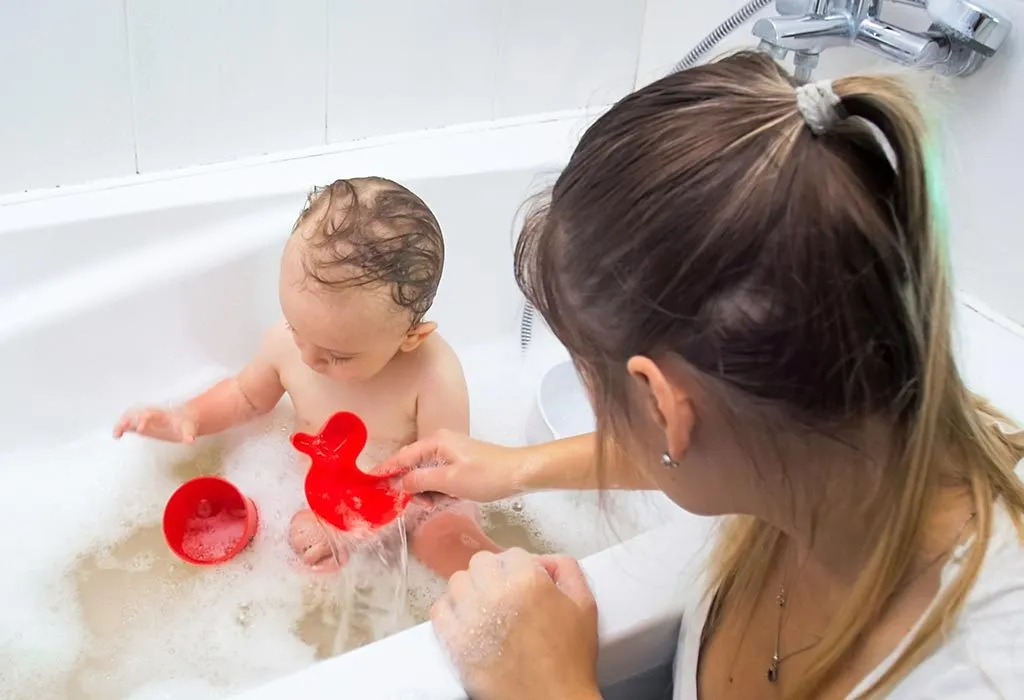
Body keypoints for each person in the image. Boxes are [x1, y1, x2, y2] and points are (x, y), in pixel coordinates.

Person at [378, 53, 1024, 700]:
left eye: (593, 386)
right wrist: (516, 468)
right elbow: (703, 446)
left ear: (665, 408)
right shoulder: (834, 433)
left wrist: (553, 688)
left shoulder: (979, 674)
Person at [114, 176, 500, 577]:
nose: (309, 359)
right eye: (298, 329)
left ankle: (515, 587)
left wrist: (355, 531)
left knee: (445, 536)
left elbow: (443, 484)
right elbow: (247, 397)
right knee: (295, 565)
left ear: (409, 337)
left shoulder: (433, 375)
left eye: (337, 355)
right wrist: (189, 416)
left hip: (405, 510)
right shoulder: (290, 343)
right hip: (310, 507)